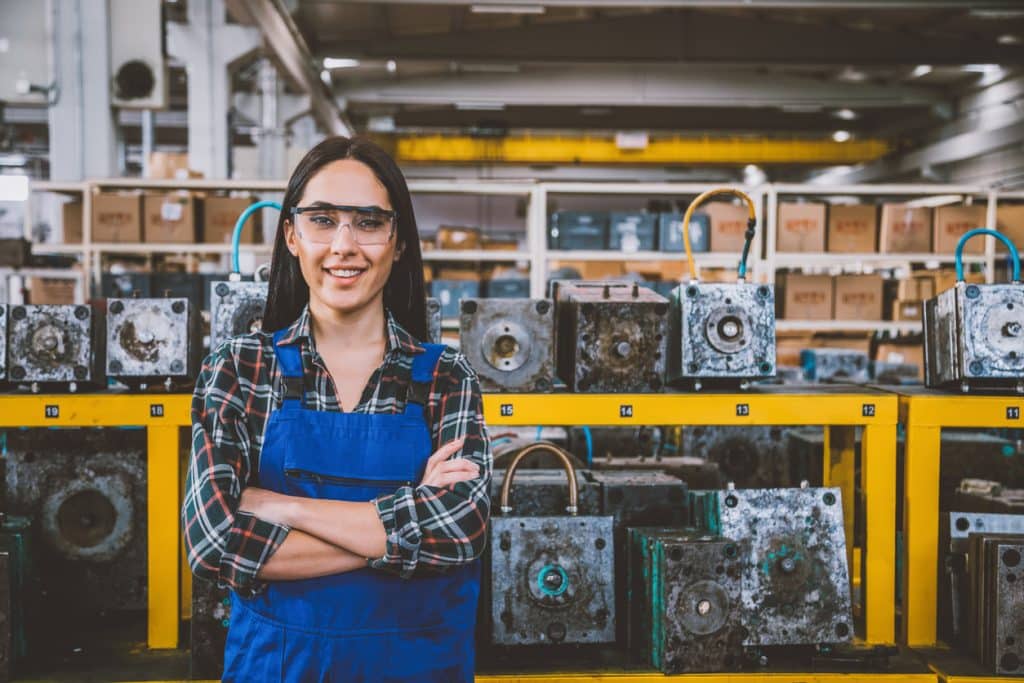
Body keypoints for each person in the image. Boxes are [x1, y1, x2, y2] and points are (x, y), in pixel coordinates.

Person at [182, 136, 491, 682]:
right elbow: (215, 544)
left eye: (369, 222)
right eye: (322, 220)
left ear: (397, 243)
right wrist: (409, 514)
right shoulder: (242, 370)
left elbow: (461, 530)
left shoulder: (446, 376)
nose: (344, 245)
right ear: (292, 236)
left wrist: (286, 508)